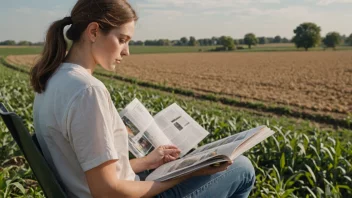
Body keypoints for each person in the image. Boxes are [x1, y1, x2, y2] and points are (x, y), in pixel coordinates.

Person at [30, 0, 255, 197]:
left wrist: (148, 162)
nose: (127, 51)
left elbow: (88, 171)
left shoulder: (53, 80)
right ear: (93, 32)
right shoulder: (87, 91)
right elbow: (107, 192)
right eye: (122, 39)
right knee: (242, 168)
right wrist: (188, 173)